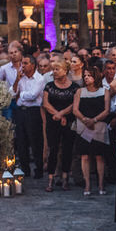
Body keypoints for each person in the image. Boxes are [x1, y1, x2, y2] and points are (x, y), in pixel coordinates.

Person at [72, 65, 110, 196]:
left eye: (89, 75)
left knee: (100, 156)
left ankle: (100, 183)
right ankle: (87, 184)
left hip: (99, 127)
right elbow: (75, 109)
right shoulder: (79, 91)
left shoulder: (104, 91)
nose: (86, 78)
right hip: (83, 127)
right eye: (85, 76)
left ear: (95, 77)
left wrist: (93, 120)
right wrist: (85, 120)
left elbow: (106, 110)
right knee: (84, 156)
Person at [42, 54, 78, 191]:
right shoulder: (49, 86)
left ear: (65, 70)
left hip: (68, 120)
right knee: (53, 149)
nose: (54, 72)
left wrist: (62, 114)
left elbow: (74, 104)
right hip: (53, 121)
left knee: (67, 150)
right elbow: (45, 103)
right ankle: (51, 179)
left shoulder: (74, 87)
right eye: (53, 69)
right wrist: (56, 114)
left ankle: (65, 178)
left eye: (57, 69)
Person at [13, 55, 46, 179]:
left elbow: (32, 95)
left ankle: (38, 169)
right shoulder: (21, 78)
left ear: (32, 65)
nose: (23, 65)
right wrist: (17, 80)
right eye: (22, 63)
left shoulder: (39, 79)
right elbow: (12, 93)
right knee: (21, 141)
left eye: (25, 63)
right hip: (20, 111)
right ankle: (25, 169)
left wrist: (20, 95)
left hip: (33, 111)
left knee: (35, 141)